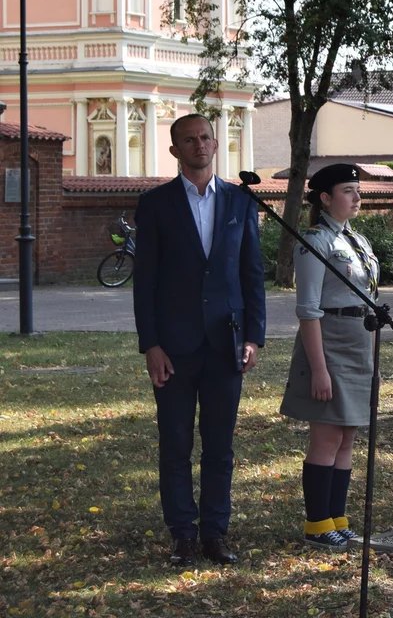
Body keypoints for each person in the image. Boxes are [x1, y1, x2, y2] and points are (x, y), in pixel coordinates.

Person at [133, 113, 266, 567]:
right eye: (188, 139)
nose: (199, 144)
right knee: (174, 444)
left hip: (225, 343)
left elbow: (252, 276)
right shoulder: (155, 205)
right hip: (172, 347)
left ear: (216, 143)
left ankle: (215, 533)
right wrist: (150, 343)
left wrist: (254, 337)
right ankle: (182, 534)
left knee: (220, 446)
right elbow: (145, 280)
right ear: (174, 150)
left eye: (206, 137)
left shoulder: (240, 202)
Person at [279, 163, 379, 552]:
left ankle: (336, 519)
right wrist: (318, 370)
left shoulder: (359, 241)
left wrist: (373, 365)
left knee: (348, 436)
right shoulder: (315, 243)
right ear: (324, 198)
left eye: (358, 190)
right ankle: (316, 523)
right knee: (327, 436)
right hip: (330, 345)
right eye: (347, 191)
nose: (357, 197)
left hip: (359, 344)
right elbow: (308, 310)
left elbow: (368, 302)